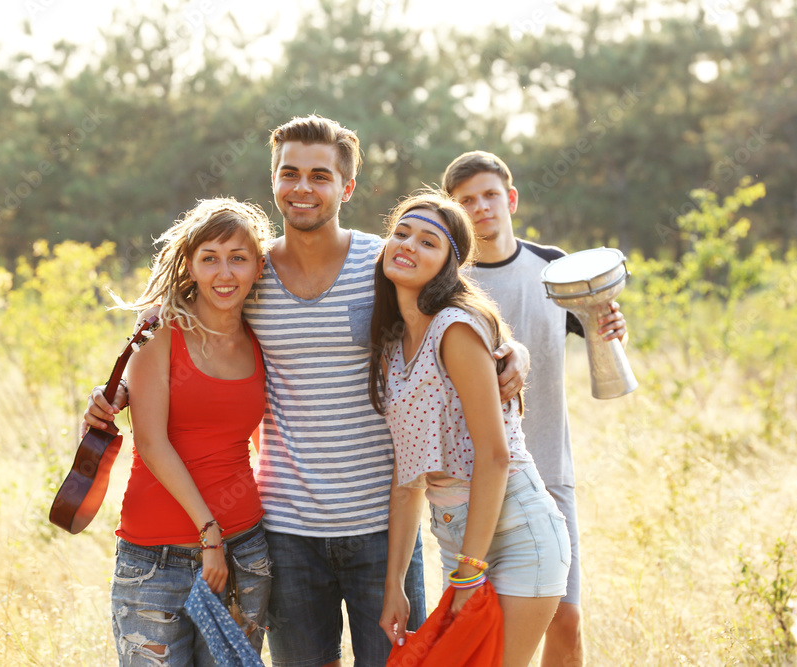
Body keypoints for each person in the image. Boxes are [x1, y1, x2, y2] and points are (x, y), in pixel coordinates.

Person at [86, 115, 532, 667]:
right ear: (272, 179)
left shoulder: (385, 264)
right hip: (286, 530)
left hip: (382, 524)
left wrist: (512, 349)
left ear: (345, 188)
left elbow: (458, 307)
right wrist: (122, 385)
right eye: (289, 172)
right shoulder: (248, 272)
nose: (302, 187)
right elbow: (181, 317)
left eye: (320, 176)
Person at [443, 150, 629, 667]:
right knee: (487, 623)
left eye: (489, 195)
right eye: (466, 201)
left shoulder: (554, 266)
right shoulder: (451, 281)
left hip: (549, 465)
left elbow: (598, 332)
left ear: (511, 199)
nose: (480, 208)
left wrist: (610, 325)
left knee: (565, 617)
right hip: (478, 475)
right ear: (454, 210)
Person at [371, 190, 570, 667]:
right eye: (401, 234)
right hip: (459, 537)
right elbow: (407, 482)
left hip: (517, 533)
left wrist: (469, 571)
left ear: (447, 266)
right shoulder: (393, 347)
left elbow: (495, 455)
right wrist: (395, 584)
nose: (409, 245)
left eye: (428, 242)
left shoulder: (455, 329)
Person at [107, 197, 274, 666]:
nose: (225, 274)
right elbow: (152, 443)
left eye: (238, 258)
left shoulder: (263, 337)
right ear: (190, 265)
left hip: (245, 552)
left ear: (258, 266)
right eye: (210, 259)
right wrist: (208, 533)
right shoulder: (159, 332)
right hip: (154, 559)